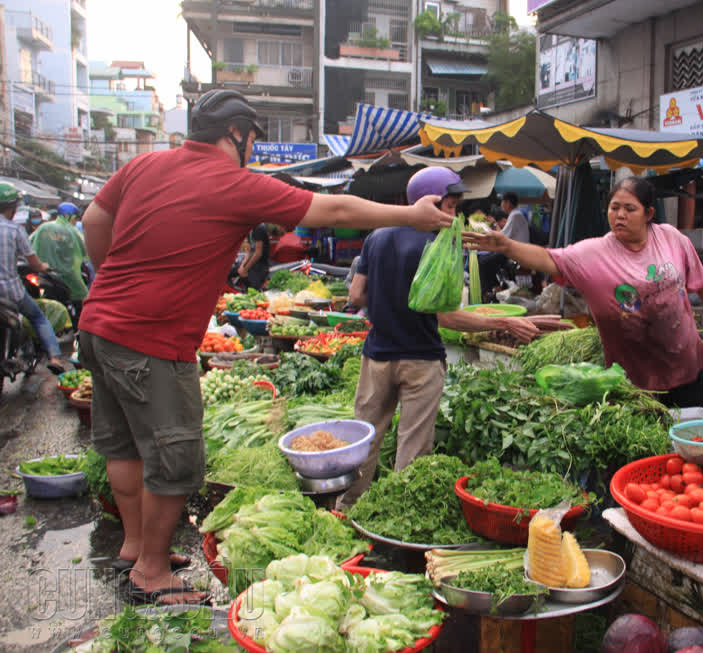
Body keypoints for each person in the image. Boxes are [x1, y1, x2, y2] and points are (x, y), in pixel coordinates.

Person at [78, 88, 452, 606]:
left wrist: (114, 285)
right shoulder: (233, 183)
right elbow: (330, 207)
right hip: (153, 337)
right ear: (237, 134)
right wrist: (411, 215)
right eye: (253, 137)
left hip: (98, 326)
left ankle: (136, 548)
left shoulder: (144, 165)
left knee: (124, 446)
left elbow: (95, 221)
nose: (252, 146)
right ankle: (151, 572)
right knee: (176, 455)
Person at [336, 167, 540, 509]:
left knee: (365, 440)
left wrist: (393, 298)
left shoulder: (378, 235)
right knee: (412, 449)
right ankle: (398, 516)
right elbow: (445, 316)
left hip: (377, 358)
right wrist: (505, 323)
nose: (454, 212)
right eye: (450, 203)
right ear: (429, 200)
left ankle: (347, 509)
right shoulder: (437, 243)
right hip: (420, 360)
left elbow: (356, 295)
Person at [464, 175, 703, 408]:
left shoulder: (672, 239)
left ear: (649, 213)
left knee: (692, 448)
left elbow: (701, 280)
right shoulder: (594, 253)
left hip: (686, 366)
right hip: (635, 379)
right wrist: (507, 247)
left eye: (629, 208)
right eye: (615, 208)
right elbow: (550, 258)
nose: (620, 215)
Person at [0, 183, 65, 375]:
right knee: (38, 317)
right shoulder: (15, 230)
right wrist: (44, 266)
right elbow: (35, 264)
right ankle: (54, 357)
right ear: (12, 208)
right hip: (11, 292)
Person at [30, 202, 90, 303]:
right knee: (84, 297)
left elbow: (28, 243)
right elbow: (85, 251)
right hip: (68, 275)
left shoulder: (44, 227)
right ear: (70, 217)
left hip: (43, 274)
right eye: (75, 219)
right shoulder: (72, 231)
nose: (75, 222)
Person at [237, 223, 269, 289]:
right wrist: (242, 266)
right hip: (252, 262)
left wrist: (245, 269)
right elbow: (248, 252)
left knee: (253, 287)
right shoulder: (249, 230)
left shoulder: (258, 229)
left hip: (261, 264)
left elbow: (258, 253)